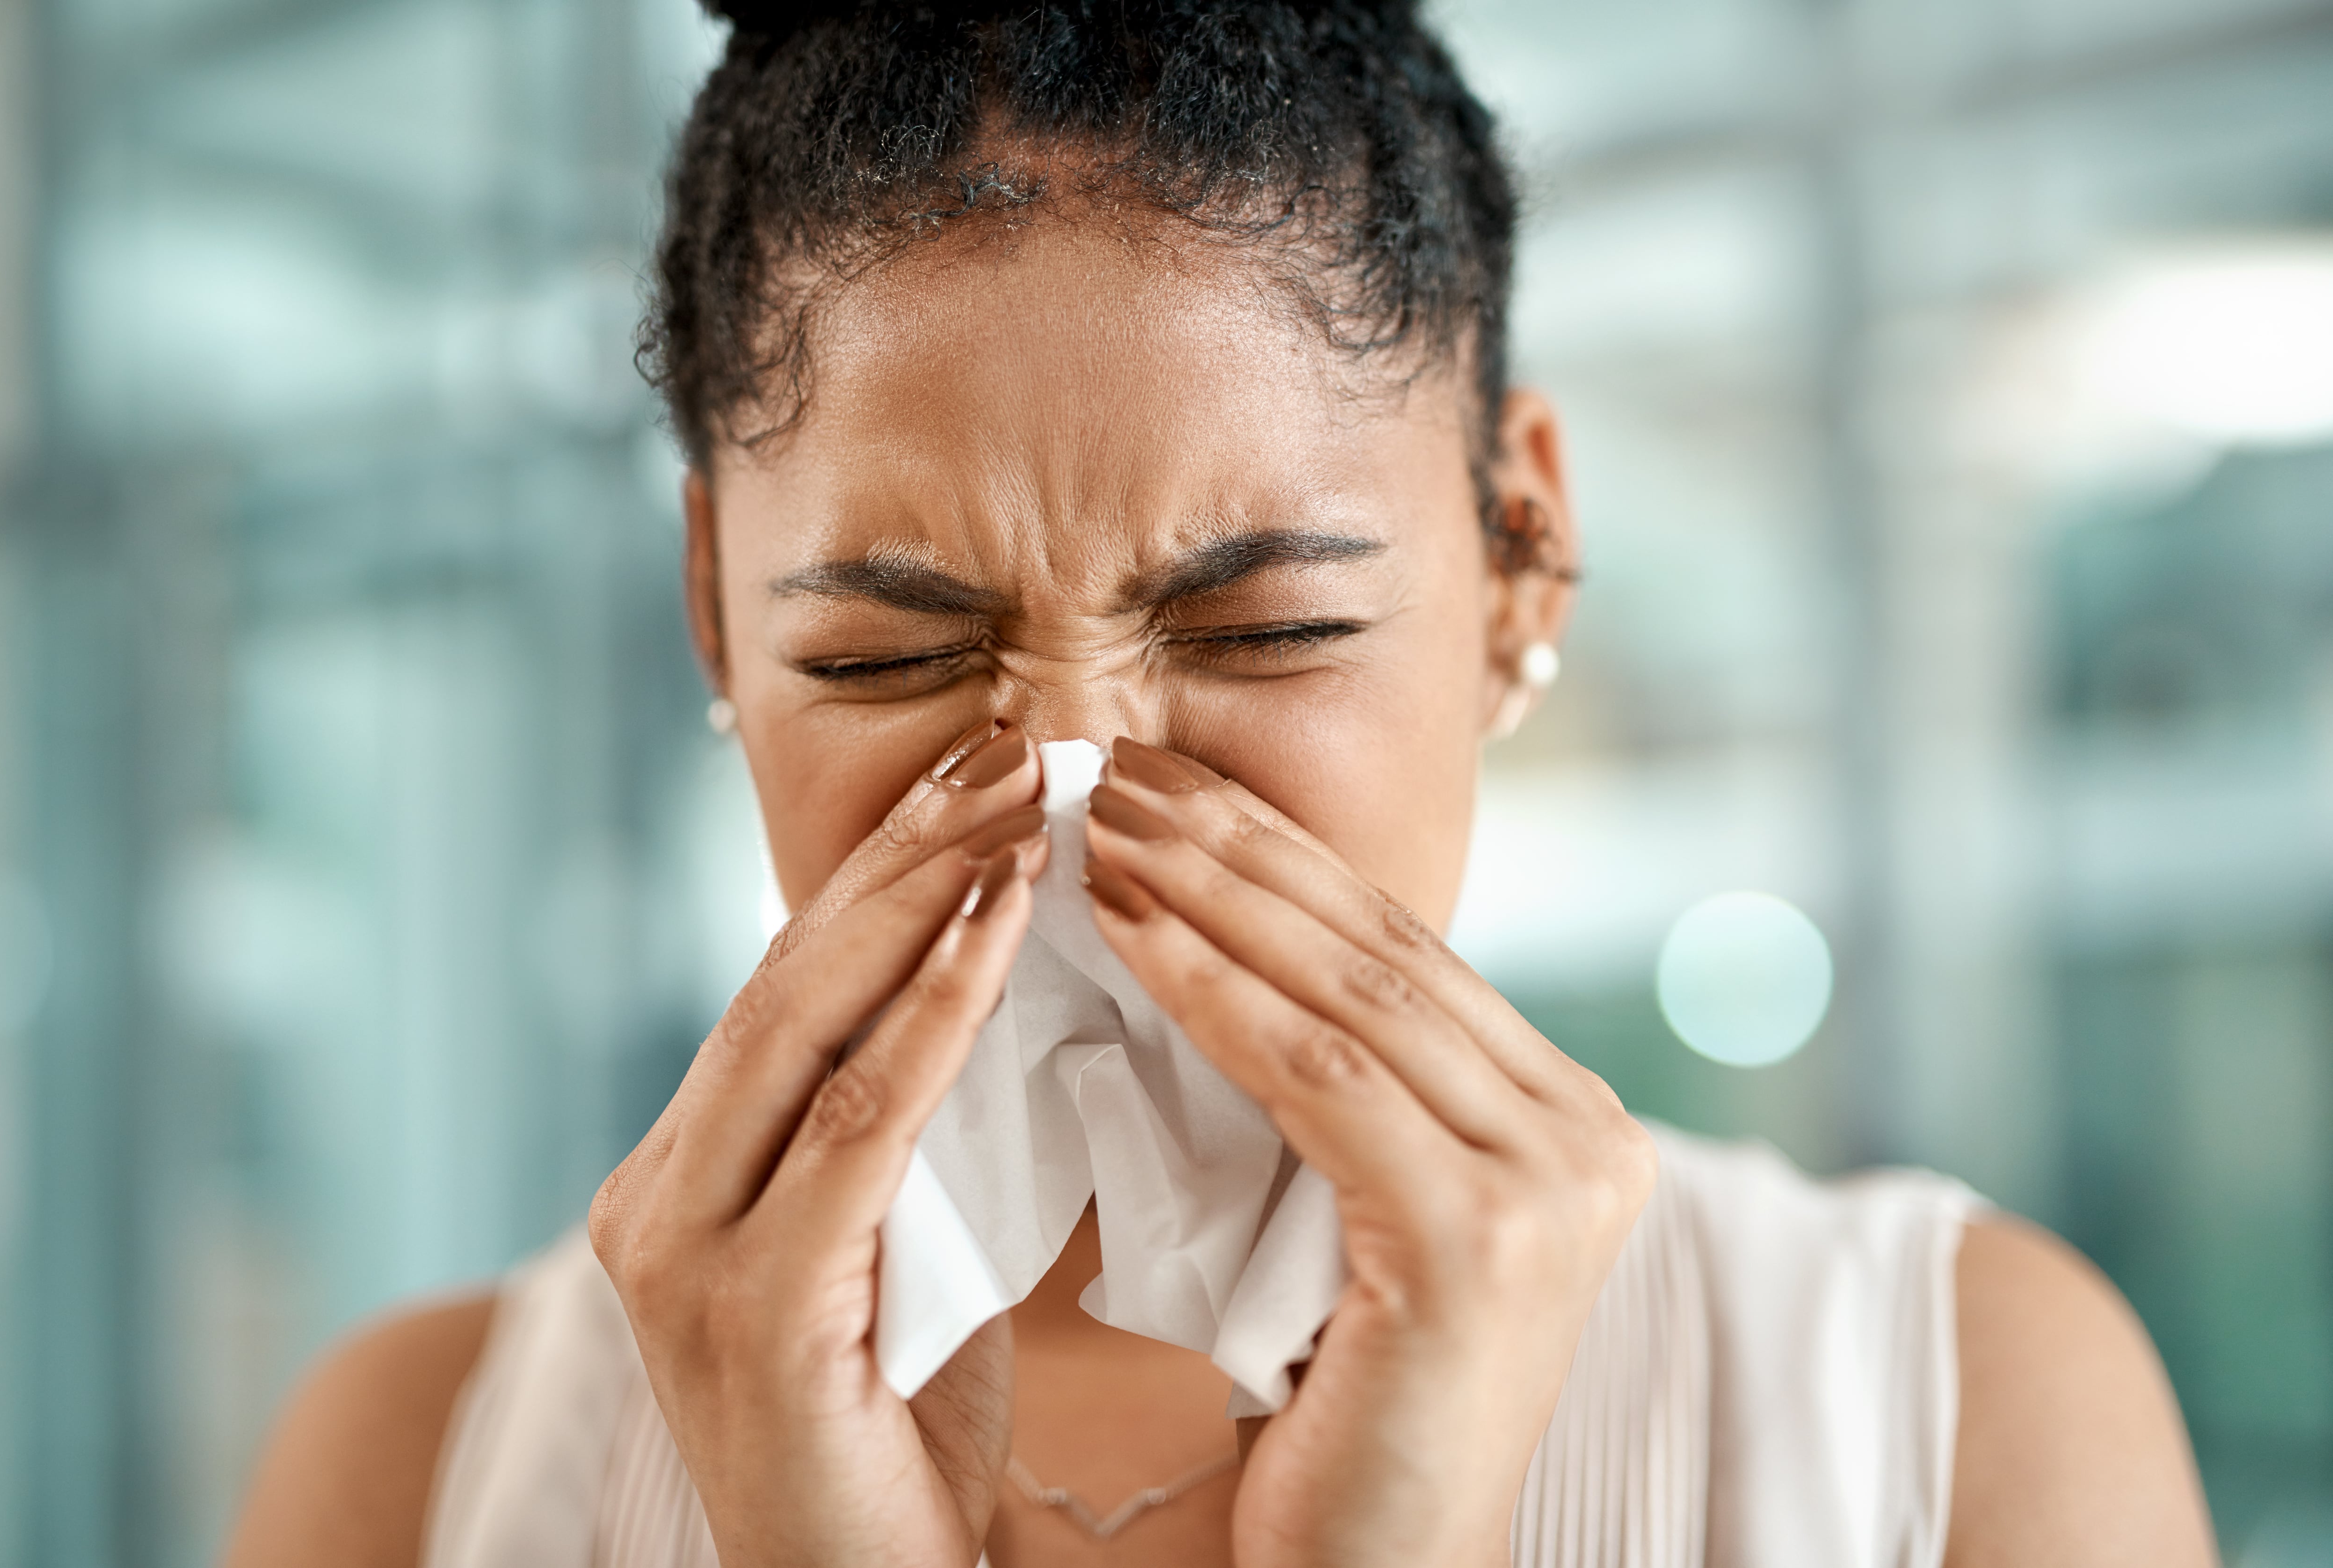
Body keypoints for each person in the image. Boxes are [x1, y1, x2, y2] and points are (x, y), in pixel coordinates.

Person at [222, 2, 2219, 1564]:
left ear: (1517, 554)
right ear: (713, 621)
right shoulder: (416, 1469)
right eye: (886, 656)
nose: (1069, 785)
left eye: (1263, 631)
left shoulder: (1950, 1400)